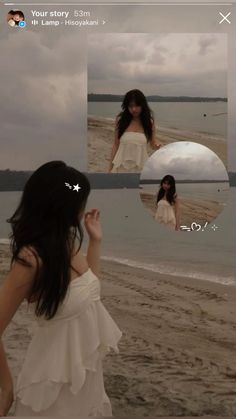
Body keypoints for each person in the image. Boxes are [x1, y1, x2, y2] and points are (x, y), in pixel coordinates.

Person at [0, 161, 122, 417]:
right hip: (50, 391)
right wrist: (6, 386)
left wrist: (95, 241)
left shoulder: (67, 243)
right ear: (60, 204)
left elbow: (90, 293)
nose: (83, 207)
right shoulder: (31, 258)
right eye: (80, 199)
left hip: (86, 381)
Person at [109, 89, 161, 173]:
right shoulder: (120, 120)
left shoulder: (149, 122)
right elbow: (115, 144)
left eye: (137, 105)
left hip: (141, 166)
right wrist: (110, 168)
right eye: (130, 106)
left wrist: (157, 145)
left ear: (142, 105)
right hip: (121, 166)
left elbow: (152, 144)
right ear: (126, 106)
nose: (134, 109)